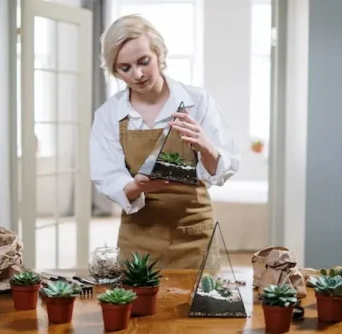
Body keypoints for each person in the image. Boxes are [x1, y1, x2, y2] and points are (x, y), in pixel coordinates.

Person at [89, 14, 240, 270]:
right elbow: (107, 177)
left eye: (144, 61)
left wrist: (206, 147)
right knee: (137, 308)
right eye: (124, 68)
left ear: (159, 54)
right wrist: (135, 186)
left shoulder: (198, 101)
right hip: (139, 235)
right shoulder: (108, 115)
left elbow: (223, 169)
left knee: (197, 308)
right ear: (115, 71)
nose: (137, 74)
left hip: (194, 235)